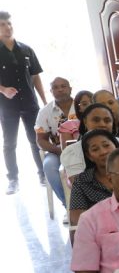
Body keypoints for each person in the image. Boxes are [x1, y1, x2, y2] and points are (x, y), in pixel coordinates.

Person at [0, 10, 46, 193]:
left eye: (9, 23)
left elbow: (35, 77)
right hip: (7, 107)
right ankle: (13, 179)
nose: (7, 27)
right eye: (2, 24)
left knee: (36, 140)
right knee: (9, 144)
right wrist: (3, 90)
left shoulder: (26, 49)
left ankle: (43, 174)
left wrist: (45, 101)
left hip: (30, 104)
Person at [60, 104, 119, 182]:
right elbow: (79, 185)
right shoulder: (72, 152)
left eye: (107, 121)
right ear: (85, 122)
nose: (102, 124)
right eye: (96, 120)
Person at [68, 129, 119, 225]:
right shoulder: (81, 182)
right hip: (100, 235)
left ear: (116, 146)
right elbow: (77, 221)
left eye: (106, 145)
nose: (103, 152)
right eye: (95, 149)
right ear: (89, 156)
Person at [35, 77, 75, 206]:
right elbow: (40, 140)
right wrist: (60, 151)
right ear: (51, 91)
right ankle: (69, 205)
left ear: (70, 89)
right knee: (49, 166)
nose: (60, 90)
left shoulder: (82, 104)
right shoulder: (44, 112)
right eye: (56, 88)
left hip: (85, 147)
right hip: (58, 150)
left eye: (63, 86)